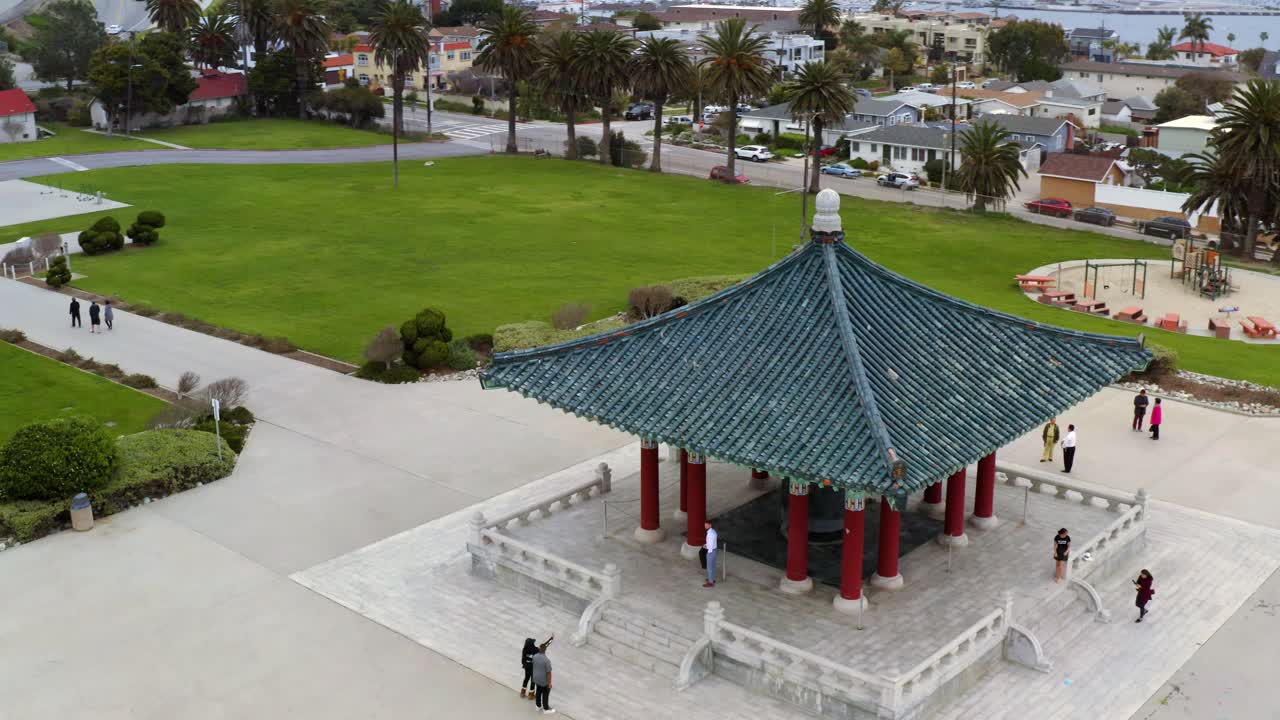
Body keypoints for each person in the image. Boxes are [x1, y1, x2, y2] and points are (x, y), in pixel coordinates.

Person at [531, 641, 555, 714]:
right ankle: (546, 708)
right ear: (545, 650)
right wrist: (550, 683)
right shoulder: (546, 660)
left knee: (538, 691)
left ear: (539, 649)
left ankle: (538, 706)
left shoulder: (534, 656)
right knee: (545, 694)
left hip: (536, 678)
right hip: (544, 681)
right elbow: (549, 673)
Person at [703, 520, 718, 588]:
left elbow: (710, 545)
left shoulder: (710, 534)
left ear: (710, 525)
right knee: (713, 566)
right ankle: (712, 578)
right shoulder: (713, 531)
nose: (705, 526)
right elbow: (711, 542)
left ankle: (710, 582)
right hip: (715, 550)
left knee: (709, 567)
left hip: (711, 552)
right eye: (705, 525)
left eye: (706, 525)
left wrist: (705, 546)